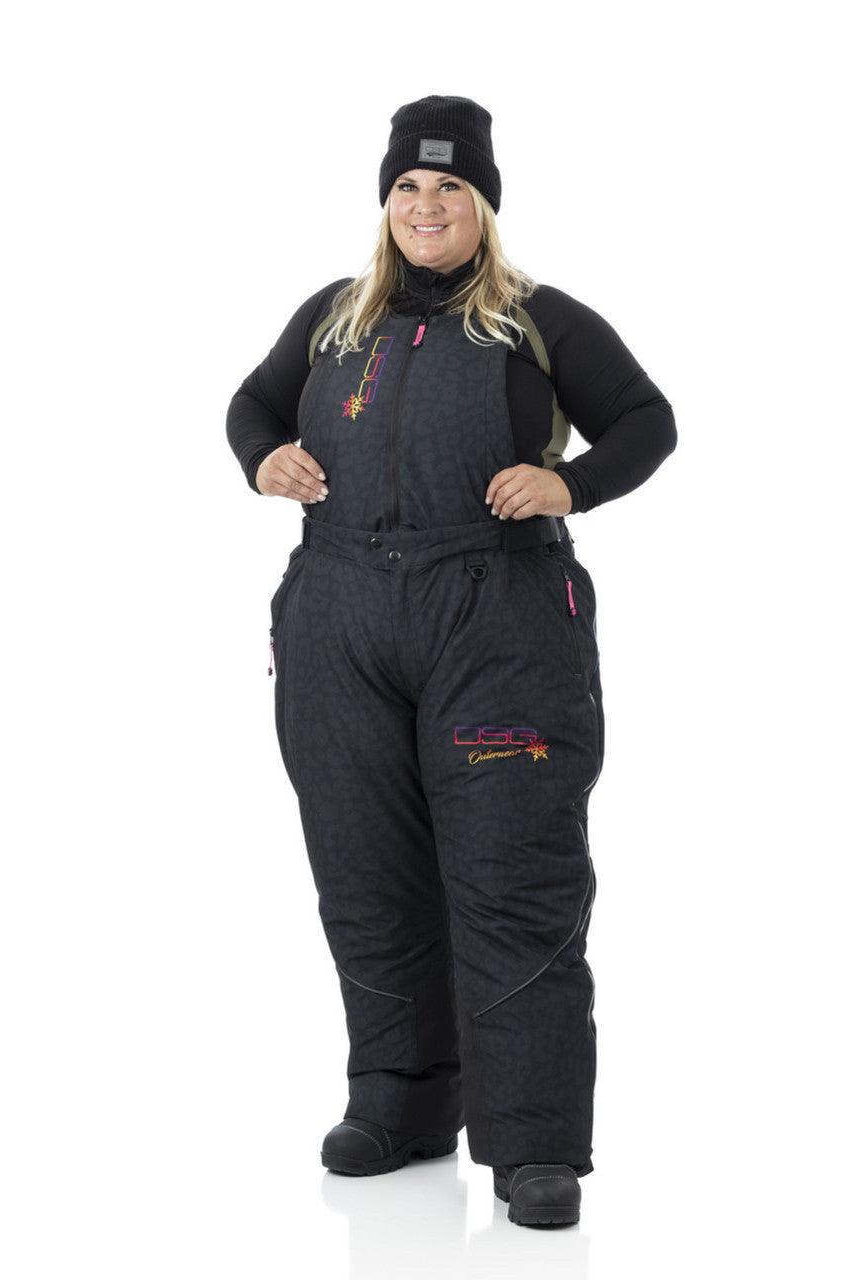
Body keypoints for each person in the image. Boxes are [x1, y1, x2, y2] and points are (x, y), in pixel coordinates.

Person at [225, 95, 676, 1228]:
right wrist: (264, 458)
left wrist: (571, 483)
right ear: (386, 202)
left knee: (511, 876)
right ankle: (398, 1102)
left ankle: (534, 1143)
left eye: (450, 188)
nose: (426, 207)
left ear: (483, 204)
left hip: (498, 617)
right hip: (338, 611)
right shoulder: (333, 317)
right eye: (407, 188)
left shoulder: (535, 319)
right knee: (365, 871)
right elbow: (251, 406)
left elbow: (645, 419)